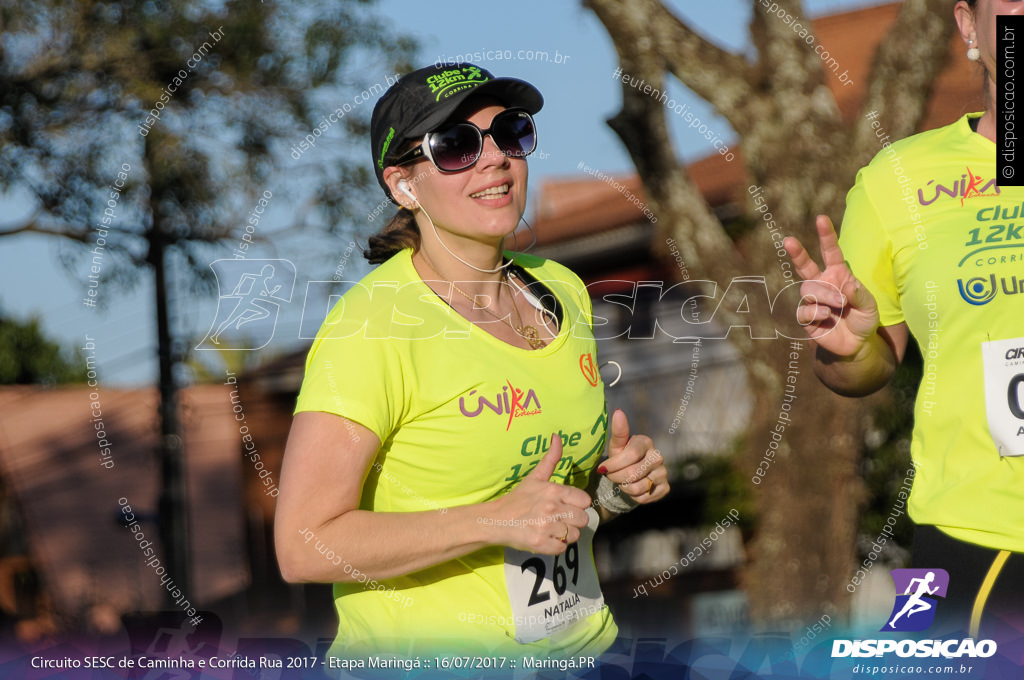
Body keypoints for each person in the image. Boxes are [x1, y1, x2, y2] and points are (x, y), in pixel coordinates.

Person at [274, 63, 670, 660]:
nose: (495, 159)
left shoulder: (560, 291)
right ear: (404, 186)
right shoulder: (373, 326)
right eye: (455, 145)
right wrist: (490, 521)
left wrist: (613, 492)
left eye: (509, 133)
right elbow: (303, 545)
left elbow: (540, 507)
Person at [784, 0, 1024, 636]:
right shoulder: (900, 181)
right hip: (981, 531)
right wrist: (847, 345)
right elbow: (868, 365)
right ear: (969, 26)